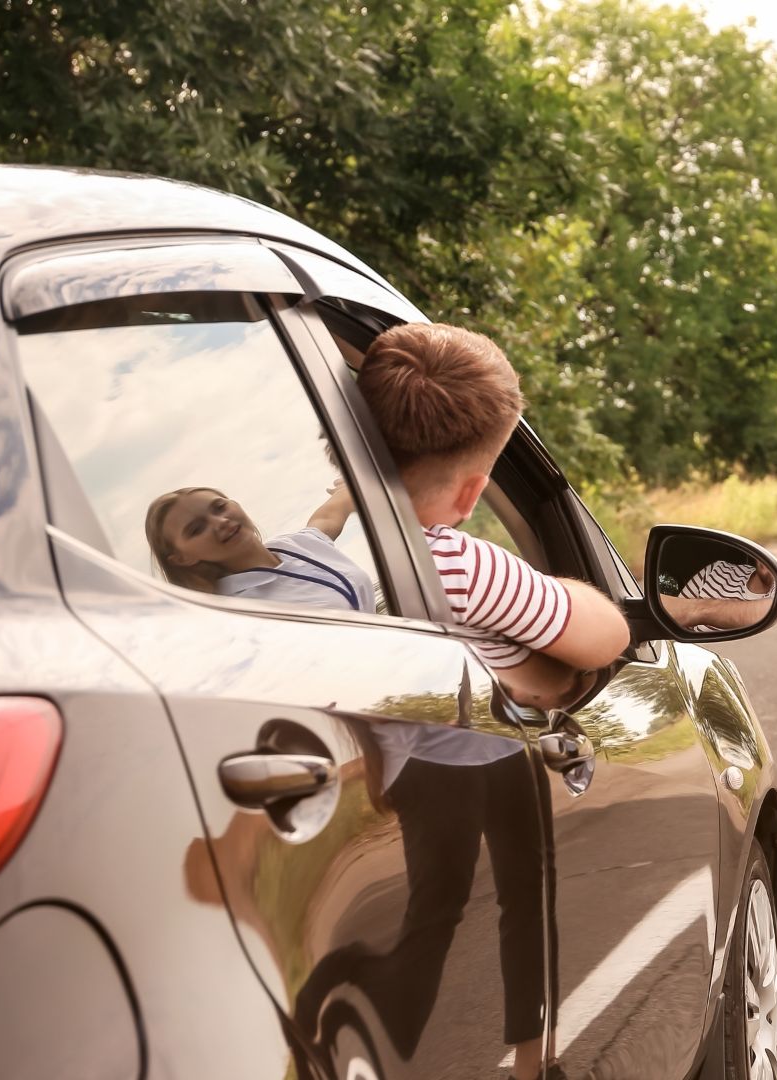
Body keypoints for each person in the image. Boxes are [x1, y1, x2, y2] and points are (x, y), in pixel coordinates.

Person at [354, 321, 632, 1080]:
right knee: (521, 900)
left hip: (402, 773)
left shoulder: (310, 558)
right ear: (476, 490)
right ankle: (534, 1058)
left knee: (432, 915)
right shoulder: (457, 563)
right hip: (481, 760)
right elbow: (605, 634)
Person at [145, 481, 374, 611]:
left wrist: (350, 484)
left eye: (219, 507)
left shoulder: (296, 545)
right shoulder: (237, 611)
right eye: (197, 529)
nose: (221, 522)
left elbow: (328, 516)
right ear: (183, 558)